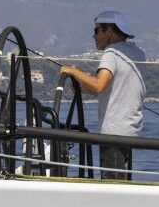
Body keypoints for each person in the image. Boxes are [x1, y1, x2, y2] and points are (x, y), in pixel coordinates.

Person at [60, 10, 146, 179]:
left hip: (113, 132)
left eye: (96, 31)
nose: (93, 36)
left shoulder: (111, 52)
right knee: (123, 182)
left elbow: (99, 85)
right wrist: (83, 88)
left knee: (112, 184)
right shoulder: (137, 53)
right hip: (130, 131)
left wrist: (73, 71)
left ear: (109, 31)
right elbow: (112, 87)